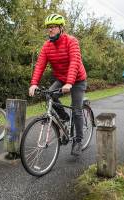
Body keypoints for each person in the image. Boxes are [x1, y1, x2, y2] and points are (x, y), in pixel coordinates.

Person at [28, 14, 87, 156]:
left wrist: (70, 82)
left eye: (53, 27)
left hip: (77, 79)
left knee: (77, 109)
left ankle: (78, 140)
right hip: (61, 78)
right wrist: (34, 83)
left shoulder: (71, 41)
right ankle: (64, 118)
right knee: (50, 94)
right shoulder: (47, 46)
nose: (50, 30)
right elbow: (40, 65)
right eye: (48, 27)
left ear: (61, 28)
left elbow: (74, 63)